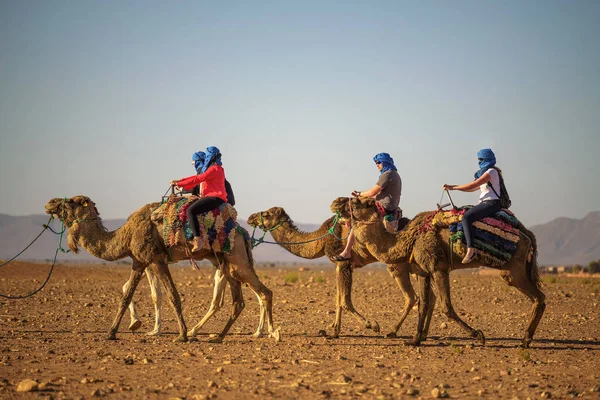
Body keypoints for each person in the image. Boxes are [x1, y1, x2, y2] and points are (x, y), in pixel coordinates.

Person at [331, 152, 402, 262]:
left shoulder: (387, 174)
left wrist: (359, 194)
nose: (377, 165)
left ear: (385, 162)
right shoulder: (394, 174)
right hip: (390, 206)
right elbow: (377, 194)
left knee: (357, 222)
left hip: (383, 207)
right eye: (376, 163)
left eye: (379, 162)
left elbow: (372, 192)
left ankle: (346, 252)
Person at [443, 148, 503, 264]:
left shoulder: (491, 172)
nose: (479, 162)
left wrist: (453, 187)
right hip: (486, 203)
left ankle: (471, 250)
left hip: (491, 203)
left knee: (466, 217)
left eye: (480, 159)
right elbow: (473, 189)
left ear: (486, 159)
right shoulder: (486, 173)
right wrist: (453, 187)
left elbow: (472, 185)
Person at [171, 146, 228, 252]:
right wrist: (180, 180)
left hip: (214, 197)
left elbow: (199, 178)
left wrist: (179, 183)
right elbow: (197, 177)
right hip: (215, 197)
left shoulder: (214, 169)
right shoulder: (217, 168)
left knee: (190, 210)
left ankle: (198, 239)